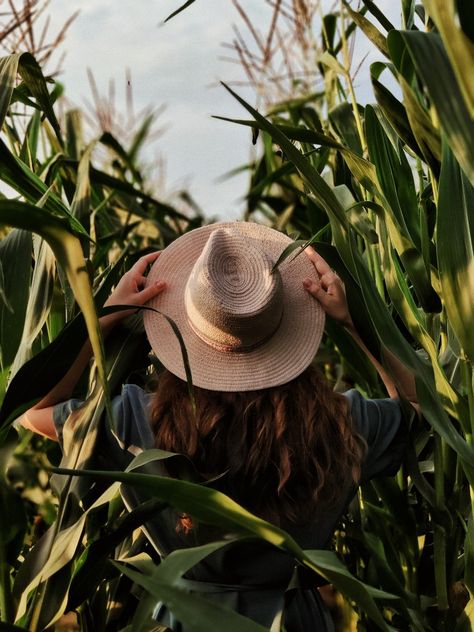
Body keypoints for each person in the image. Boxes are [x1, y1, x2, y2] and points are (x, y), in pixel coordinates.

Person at [19, 221, 416, 631]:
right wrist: (355, 322)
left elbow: (31, 409)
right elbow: (421, 408)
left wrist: (107, 317)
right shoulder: (338, 423)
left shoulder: (138, 420)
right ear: (286, 325)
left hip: (185, 620)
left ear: (188, 330)